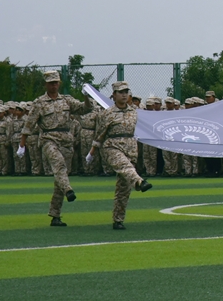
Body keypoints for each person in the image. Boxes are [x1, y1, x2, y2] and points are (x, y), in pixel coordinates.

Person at [19, 70, 95, 226]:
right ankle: (69, 190)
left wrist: (86, 96)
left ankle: (55, 215)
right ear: (46, 84)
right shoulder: (40, 103)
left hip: (66, 140)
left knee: (60, 177)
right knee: (58, 165)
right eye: (51, 83)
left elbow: (85, 109)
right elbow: (29, 124)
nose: (54, 86)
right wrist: (22, 144)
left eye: (56, 83)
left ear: (59, 83)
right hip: (48, 139)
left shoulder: (67, 100)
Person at [85, 82, 152, 229]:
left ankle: (118, 220)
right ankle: (139, 182)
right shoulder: (107, 113)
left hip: (130, 148)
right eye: (120, 92)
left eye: (126, 92)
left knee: (123, 188)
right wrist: (92, 152)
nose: (124, 95)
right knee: (124, 166)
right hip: (112, 147)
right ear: (114, 95)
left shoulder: (134, 111)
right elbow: (99, 135)